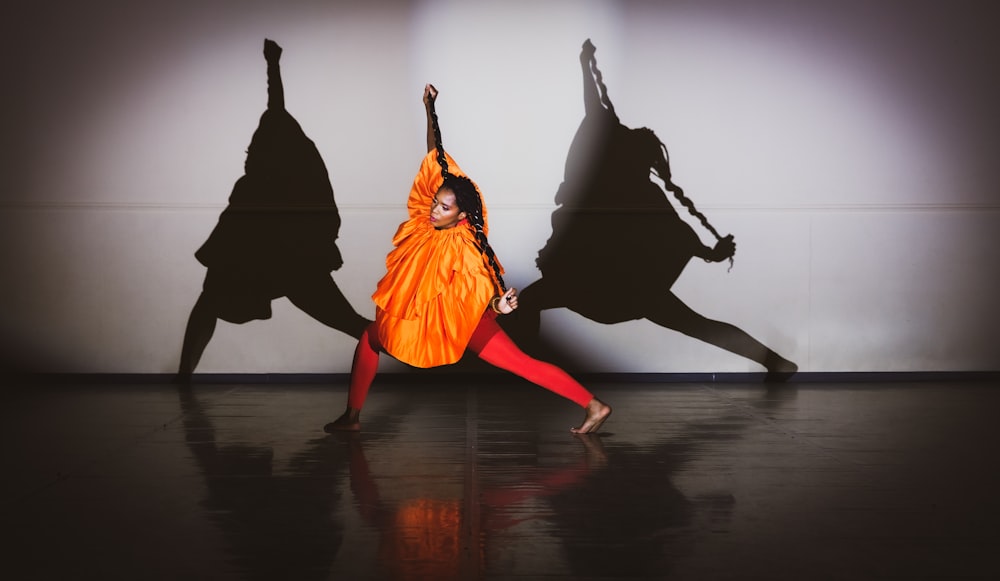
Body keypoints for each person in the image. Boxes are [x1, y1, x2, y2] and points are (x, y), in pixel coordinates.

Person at [324, 84, 611, 434]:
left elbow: (481, 287)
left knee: (521, 364)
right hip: (435, 318)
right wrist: (430, 109)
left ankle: (593, 405)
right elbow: (435, 155)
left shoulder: (466, 244)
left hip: (462, 321)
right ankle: (351, 417)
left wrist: (498, 305)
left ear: (461, 215)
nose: (434, 210)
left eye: (444, 207)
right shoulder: (425, 223)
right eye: (435, 202)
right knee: (370, 338)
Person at [506, 39, 797, 380]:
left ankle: (528, 372)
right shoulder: (643, 192)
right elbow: (681, 237)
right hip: (630, 294)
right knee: (697, 325)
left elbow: (595, 112)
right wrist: (711, 253)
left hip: (592, 287)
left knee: (528, 301)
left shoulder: (617, 186)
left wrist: (585, 65)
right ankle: (775, 362)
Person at [177, 39, 370, 381]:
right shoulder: (252, 187)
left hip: (290, 263)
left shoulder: (273, 184)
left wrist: (273, 66)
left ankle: (418, 353)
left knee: (348, 322)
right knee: (208, 303)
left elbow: (276, 108)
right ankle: (183, 376)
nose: (249, 152)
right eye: (250, 147)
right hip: (262, 263)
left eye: (256, 148)